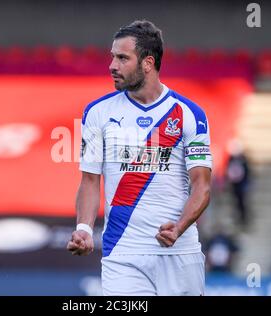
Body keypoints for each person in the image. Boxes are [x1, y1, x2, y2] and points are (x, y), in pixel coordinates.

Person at [67, 20, 212, 296]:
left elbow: (202, 186)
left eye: (122, 58)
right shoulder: (97, 112)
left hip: (179, 254)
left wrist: (179, 228)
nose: (112, 65)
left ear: (148, 63)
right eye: (112, 57)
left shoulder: (189, 114)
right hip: (123, 253)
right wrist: (84, 227)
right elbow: (88, 180)